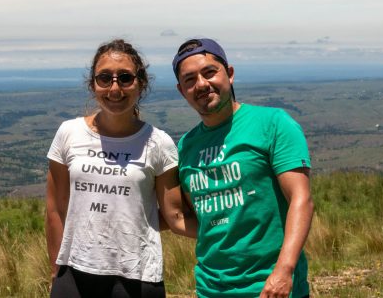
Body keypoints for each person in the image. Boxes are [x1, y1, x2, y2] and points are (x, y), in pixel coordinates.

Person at [45, 39, 196, 298]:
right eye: (105, 78)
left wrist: (235, 232)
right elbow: (57, 208)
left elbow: (174, 216)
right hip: (74, 272)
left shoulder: (158, 143)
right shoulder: (68, 133)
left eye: (125, 78)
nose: (115, 88)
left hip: (137, 274)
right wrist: (57, 268)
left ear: (141, 83)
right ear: (93, 83)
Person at [172, 38, 314, 298]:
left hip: (270, 286)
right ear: (182, 90)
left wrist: (284, 271)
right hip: (210, 287)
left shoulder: (273, 124)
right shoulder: (186, 146)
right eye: (190, 80)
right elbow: (201, 216)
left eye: (209, 72)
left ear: (230, 74)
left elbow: (301, 199)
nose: (201, 84)